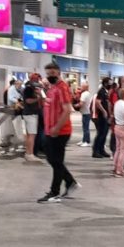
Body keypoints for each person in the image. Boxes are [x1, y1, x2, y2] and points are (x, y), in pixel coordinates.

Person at [37, 61, 79, 203]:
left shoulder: (62, 88)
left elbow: (67, 110)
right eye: (48, 74)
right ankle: (70, 182)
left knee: (57, 162)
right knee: (53, 160)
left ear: (59, 72)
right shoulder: (51, 88)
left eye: (53, 73)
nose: (50, 76)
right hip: (49, 131)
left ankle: (54, 192)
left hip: (60, 132)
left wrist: (57, 127)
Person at [21, 73, 42, 159]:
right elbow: (28, 101)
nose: (38, 81)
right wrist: (38, 98)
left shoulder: (31, 88)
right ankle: (30, 154)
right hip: (30, 114)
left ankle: (28, 153)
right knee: (32, 135)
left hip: (30, 114)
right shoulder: (29, 89)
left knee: (29, 135)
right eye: (37, 79)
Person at [91, 78, 112, 158]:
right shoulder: (101, 91)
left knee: (104, 134)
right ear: (105, 83)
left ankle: (101, 150)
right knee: (100, 134)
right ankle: (95, 151)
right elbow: (98, 102)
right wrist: (104, 111)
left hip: (105, 117)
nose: (110, 85)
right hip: (101, 117)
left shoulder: (106, 92)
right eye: (109, 83)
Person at [77, 82, 92, 147]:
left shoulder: (84, 94)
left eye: (82, 86)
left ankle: (87, 141)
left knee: (86, 128)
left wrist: (75, 105)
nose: (80, 87)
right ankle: (84, 140)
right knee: (85, 127)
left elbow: (81, 103)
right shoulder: (88, 93)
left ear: (85, 87)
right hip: (87, 112)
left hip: (86, 112)